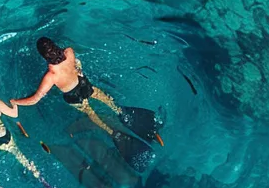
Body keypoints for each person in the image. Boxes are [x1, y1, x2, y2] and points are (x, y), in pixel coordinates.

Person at [12, 37, 163, 169]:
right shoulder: (68, 52)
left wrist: (16, 101)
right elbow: (77, 64)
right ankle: (120, 111)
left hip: (74, 97)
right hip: (85, 84)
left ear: (43, 56)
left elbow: (35, 99)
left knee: (90, 112)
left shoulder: (51, 76)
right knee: (104, 98)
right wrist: (77, 71)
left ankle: (111, 132)